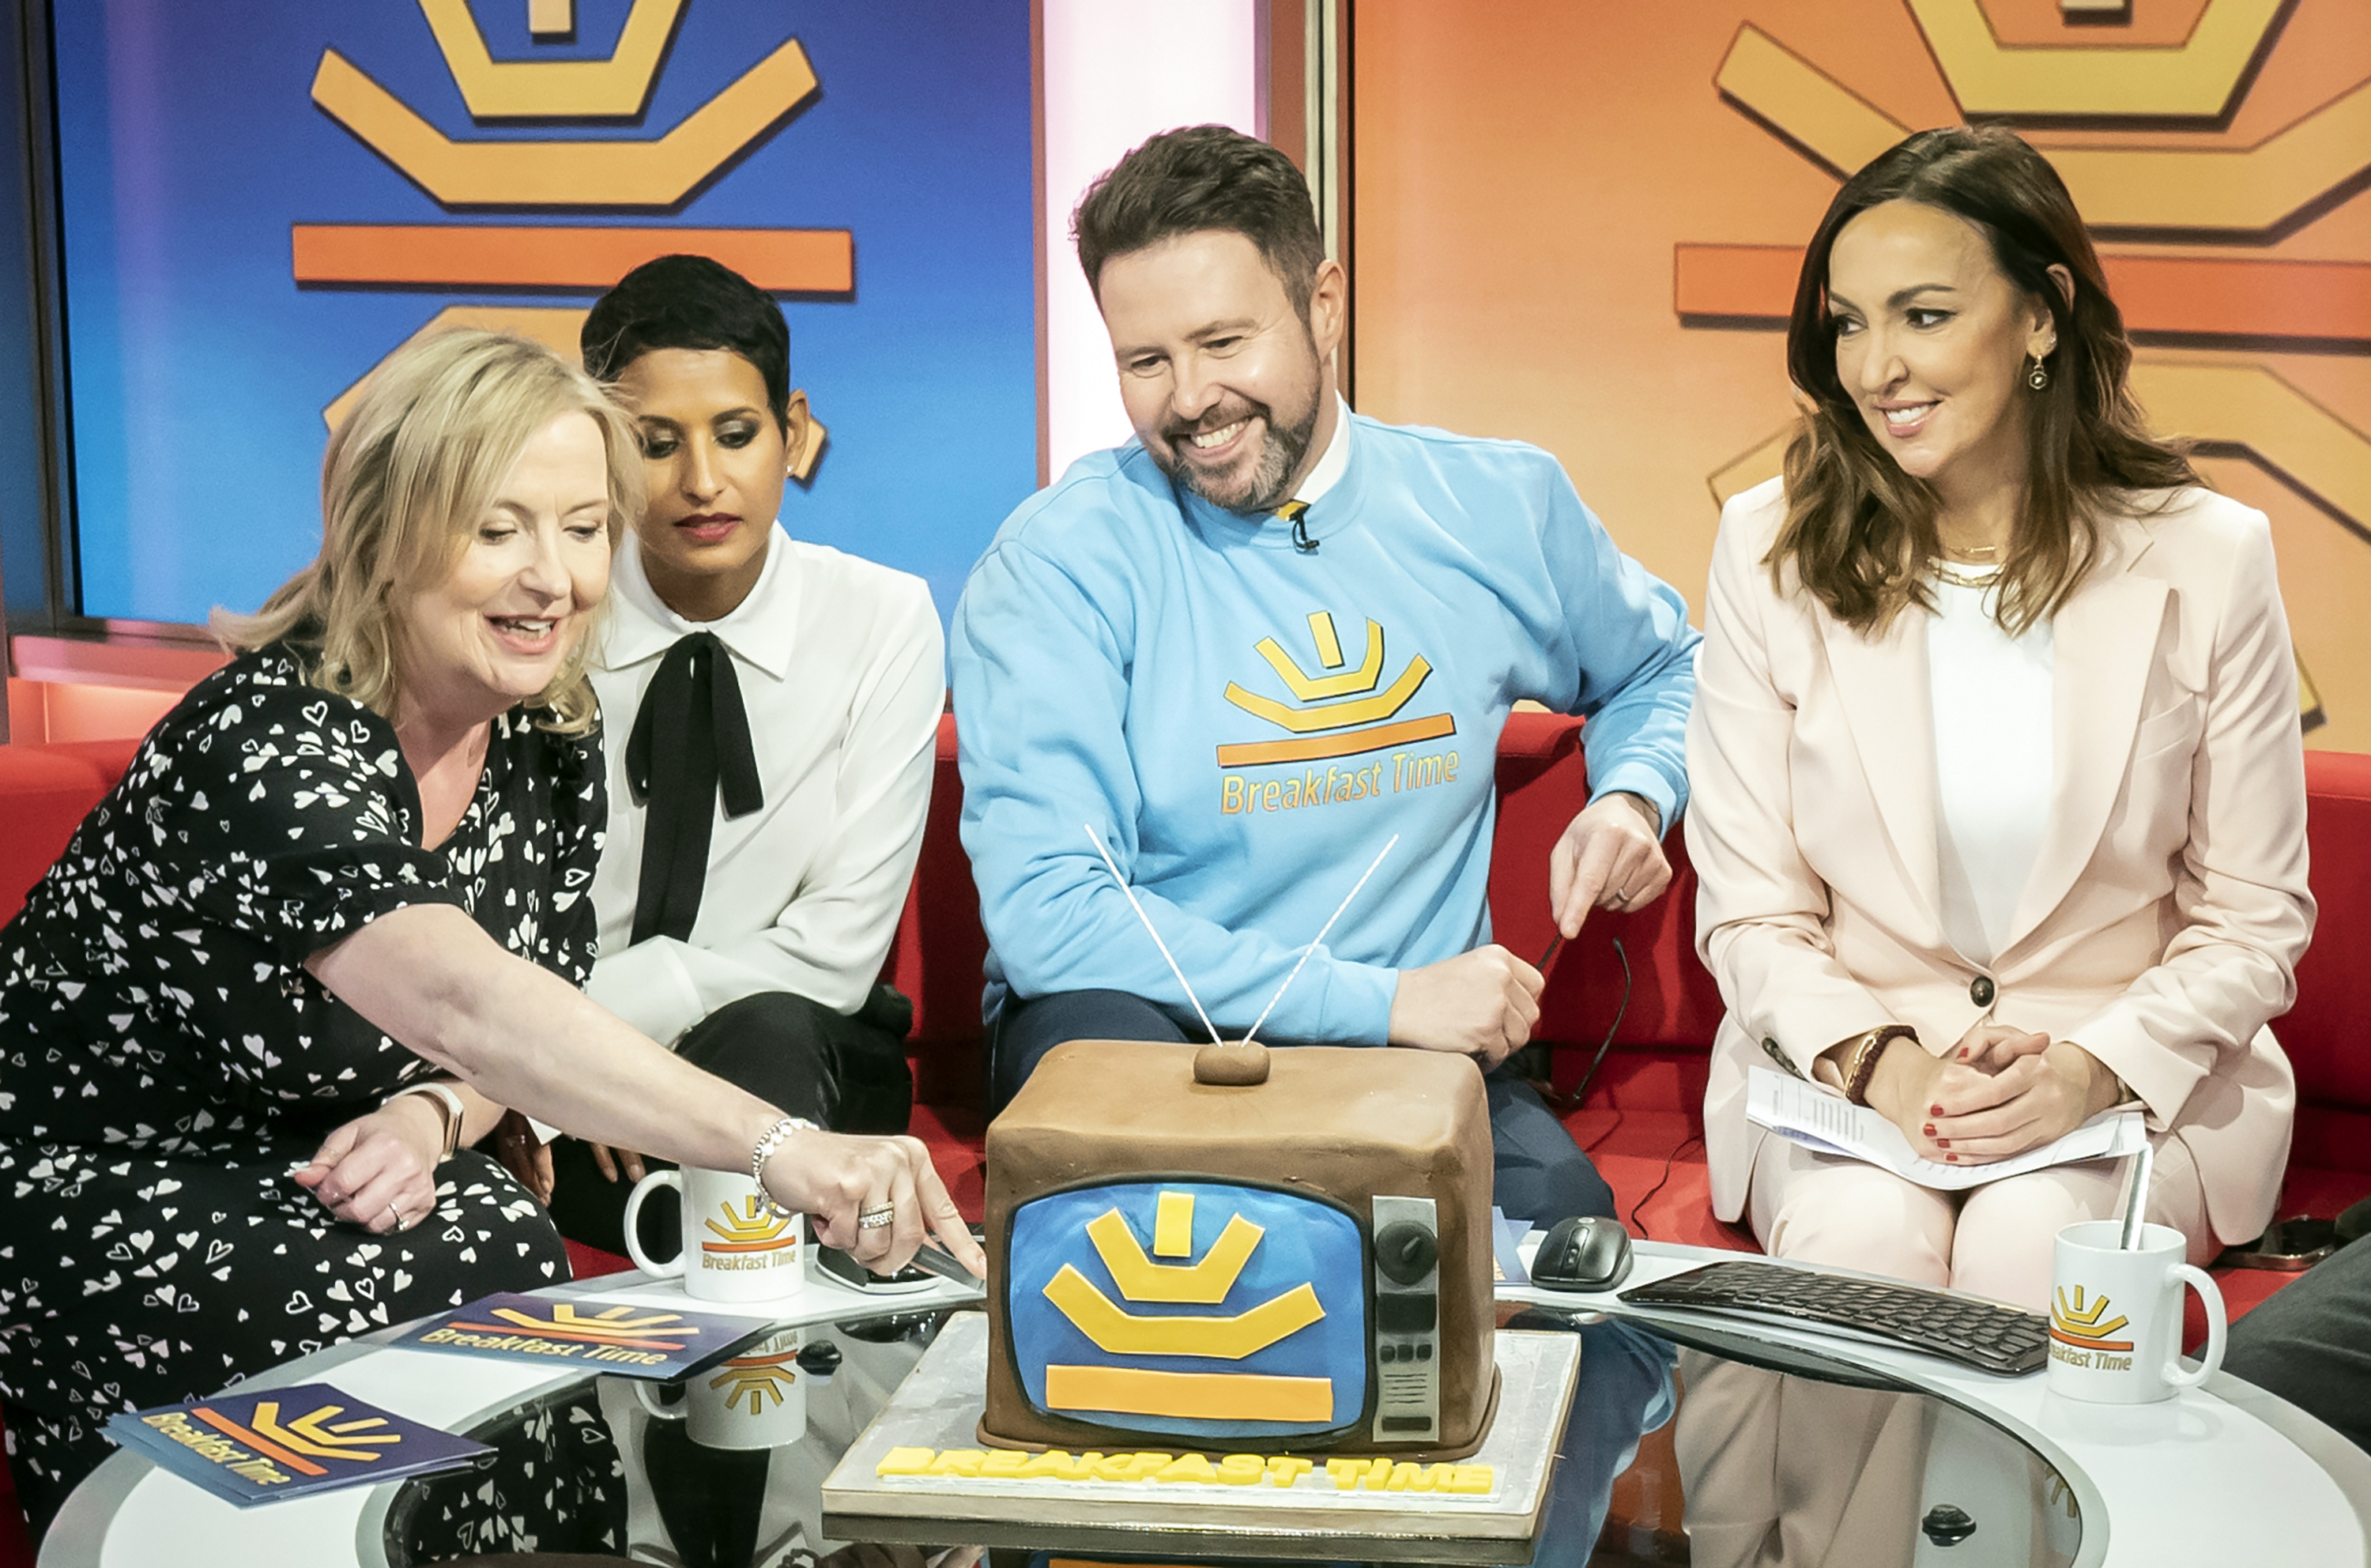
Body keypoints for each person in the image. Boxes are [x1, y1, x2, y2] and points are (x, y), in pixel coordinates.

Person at [0, 330, 980, 1539]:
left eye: (581, 527)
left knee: (487, 1224)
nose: (554, 578)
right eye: (497, 527)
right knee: (457, 1257)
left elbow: (519, 1008)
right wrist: (782, 1146)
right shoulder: (268, 745)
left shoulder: (541, 736)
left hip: (340, 1162)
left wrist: (435, 1114)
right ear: (387, 535)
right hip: (106, 1177)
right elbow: (468, 1002)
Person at [949, 126, 1700, 1229]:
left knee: (1558, 1251)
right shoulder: (1056, 562)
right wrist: (1386, 1003)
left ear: (1325, 304)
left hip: (1416, 1058)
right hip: (1154, 1036)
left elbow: (1667, 664)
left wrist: (1634, 793)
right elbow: (1053, 918)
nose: (1191, 399)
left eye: (1223, 342)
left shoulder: (1495, 508)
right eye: (1145, 362)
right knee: (1190, 1231)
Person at [1687, 123, 2313, 1311]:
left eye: (1923, 315)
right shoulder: (1767, 547)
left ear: (2042, 314)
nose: (1878, 368)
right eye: (1849, 322)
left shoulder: (2209, 557)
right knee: (1862, 1251)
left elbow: (2253, 918)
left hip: (2132, 1070)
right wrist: (1882, 1063)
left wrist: (2092, 1071)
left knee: (2036, 1250)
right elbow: (1754, 908)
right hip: (1851, 1063)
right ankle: (1842, 1516)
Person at [523, 255, 942, 1258]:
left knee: (772, 1039)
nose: (702, 482)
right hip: (553, 1065)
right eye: (655, 444)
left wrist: (617, 1039)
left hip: (797, 1046)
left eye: (737, 434)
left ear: (792, 431)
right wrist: (564, 1070)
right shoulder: (542, 613)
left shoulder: (884, 618)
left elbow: (838, 952)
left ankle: (732, 1321)